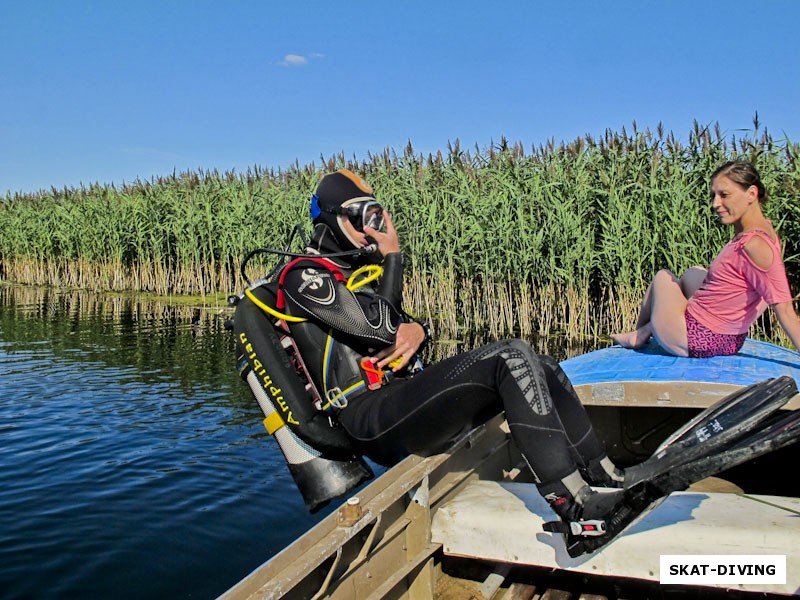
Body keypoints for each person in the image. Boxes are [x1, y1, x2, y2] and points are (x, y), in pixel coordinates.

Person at [279, 168, 626, 531]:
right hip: (369, 415)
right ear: (333, 218)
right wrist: (393, 256)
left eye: (375, 216)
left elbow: (401, 328)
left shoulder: (348, 275)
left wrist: (421, 330)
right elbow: (382, 329)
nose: (372, 229)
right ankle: (576, 507)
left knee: (543, 365)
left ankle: (606, 475)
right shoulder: (303, 277)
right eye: (362, 216)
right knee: (511, 356)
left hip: (398, 395)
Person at [611, 160, 800, 358]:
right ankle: (650, 328)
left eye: (724, 195)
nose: (716, 204)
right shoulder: (764, 231)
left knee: (663, 277)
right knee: (694, 272)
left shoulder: (755, 246)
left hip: (698, 339)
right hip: (729, 340)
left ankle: (640, 335)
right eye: (714, 196)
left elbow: (785, 310)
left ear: (751, 194)